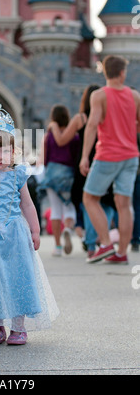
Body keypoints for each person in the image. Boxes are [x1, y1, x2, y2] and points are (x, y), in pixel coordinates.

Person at [0, 105, 59, 344]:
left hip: (15, 236)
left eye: (5, 150)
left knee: (18, 278)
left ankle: (18, 327)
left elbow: (28, 205)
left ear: (13, 152)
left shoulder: (17, 174)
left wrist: (35, 230)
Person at [80, 55, 140, 264]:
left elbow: (92, 125)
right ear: (122, 72)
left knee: (90, 198)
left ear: (105, 72)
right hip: (131, 155)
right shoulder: (134, 96)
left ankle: (105, 243)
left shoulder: (99, 95)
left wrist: (85, 156)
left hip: (108, 155)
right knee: (124, 204)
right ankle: (121, 253)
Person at [48, 85, 118, 259]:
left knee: (88, 201)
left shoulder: (80, 118)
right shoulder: (109, 115)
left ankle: (92, 243)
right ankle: (104, 240)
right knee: (107, 202)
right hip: (108, 158)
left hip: (86, 162)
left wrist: (54, 126)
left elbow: (62, 140)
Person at [39, 105, 80, 257]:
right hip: (68, 173)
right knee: (69, 207)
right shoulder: (74, 136)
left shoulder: (48, 136)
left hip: (52, 172)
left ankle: (57, 246)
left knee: (55, 209)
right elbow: (76, 156)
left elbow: (44, 157)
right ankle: (68, 228)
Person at [131, 133, 140, 252]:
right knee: (137, 207)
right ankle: (136, 239)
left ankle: (133, 239)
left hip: (130, 170)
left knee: (123, 206)